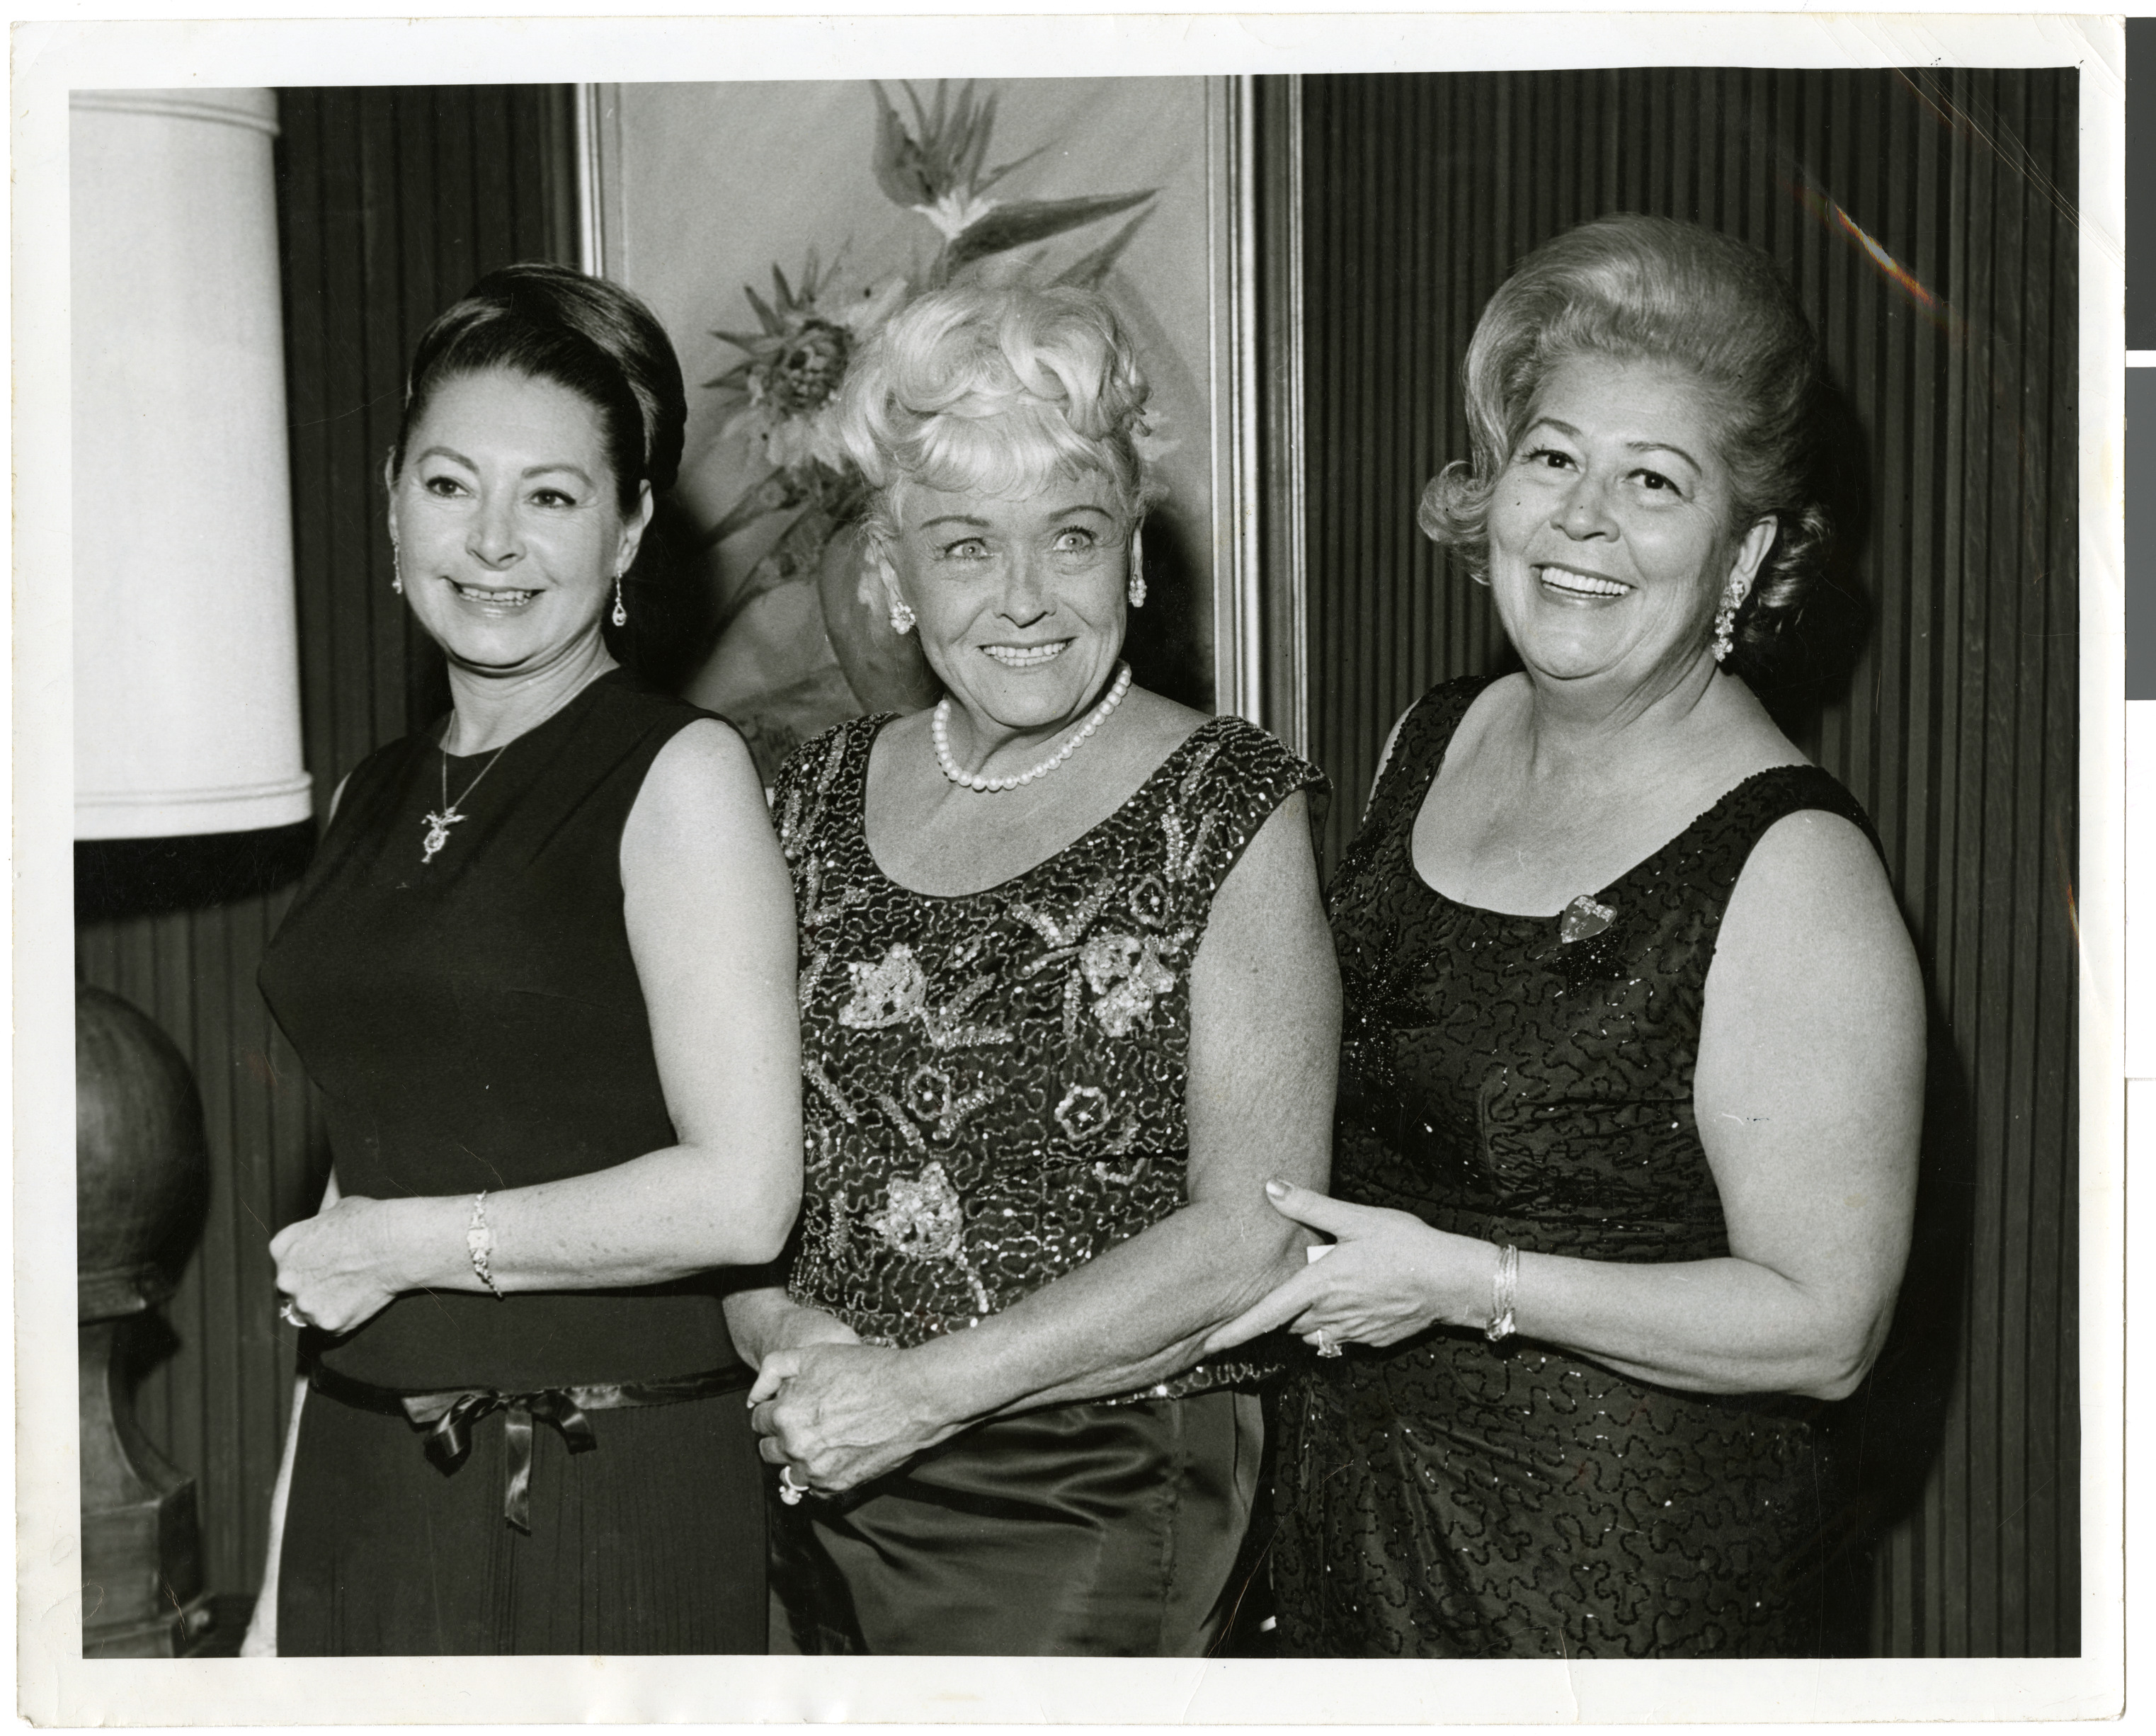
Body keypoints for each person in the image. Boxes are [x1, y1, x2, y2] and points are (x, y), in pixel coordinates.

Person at [1207, 215, 1926, 1658]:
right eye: (1552, 458)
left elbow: (1823, 1324)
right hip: (1344, 1533)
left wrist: (1467, 1282)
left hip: (1612, 1587)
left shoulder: (1791, 868)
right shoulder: (1434, 735)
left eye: (1652, 481)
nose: (1583, 518)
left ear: (1746, 549)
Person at [727, 280, 1339, 1657]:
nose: (1021, 598)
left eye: (1068, 536)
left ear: (1131, 554)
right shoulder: (804, 799)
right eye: (962, 545)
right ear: (892, 572)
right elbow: (734, 1161)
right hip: (819, 1469)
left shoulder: (1226, 807)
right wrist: (787, 1338)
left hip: (1090, 1498)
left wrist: (922, 1392)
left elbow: (1259, 1231)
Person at [245, 264, 802, 1655]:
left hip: (594, 1499)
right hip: (366, 1484)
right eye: (449, 484)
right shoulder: (369, 793)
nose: (492, 541)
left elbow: (743, 1197)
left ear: (627, 534)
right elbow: (356, 1184)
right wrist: (271, 1581)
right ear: (390, 499)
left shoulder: (678, 773)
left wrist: (406, 1243)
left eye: (550, 495)